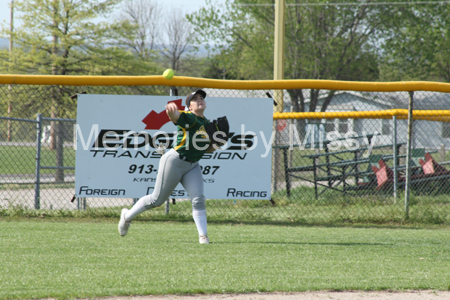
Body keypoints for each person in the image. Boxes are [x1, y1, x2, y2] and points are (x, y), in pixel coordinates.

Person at [118, 89, 218, 244]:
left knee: (198, 200)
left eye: (201, 98)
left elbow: (208, 149)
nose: (200, 100)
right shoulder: (189, 117)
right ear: (189, 107)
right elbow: (176, 117)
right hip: (175, 161)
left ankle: (203, 237)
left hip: (193, 165)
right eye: (195, 99)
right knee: (156, 201)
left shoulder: (207, 124)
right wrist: (171, 111)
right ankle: (127, 216)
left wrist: (218, 144)